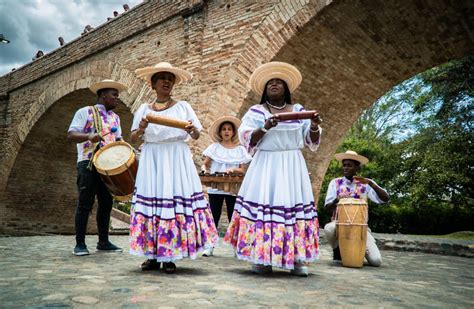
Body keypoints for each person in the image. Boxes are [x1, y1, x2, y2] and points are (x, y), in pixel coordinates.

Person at [224, 61, 322, 276]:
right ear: (265, 90)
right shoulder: (256, 111)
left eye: (279, 82)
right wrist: (266, 126)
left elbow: (311, 141)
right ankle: (261, 257)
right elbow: (247, 137)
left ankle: (297, 259)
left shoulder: (298, 111)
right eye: (271, 83)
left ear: (286, 89)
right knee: (264, 206)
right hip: (266, 164)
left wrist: (314, 125)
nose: (275, 85)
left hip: (292, 164)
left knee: (293, 208)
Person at [130, 62, 218, 273]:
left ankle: (170, 255)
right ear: (153, 83)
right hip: (152, 157)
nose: (166, 81)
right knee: (153, 203)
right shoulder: (143, 109)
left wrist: (191, 129)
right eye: (161, 77)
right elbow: (133, 139)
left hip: (176, 157)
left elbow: (196, 134)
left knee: (173, 201)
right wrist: (141, 128)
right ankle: (151, 255)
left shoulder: (183, 107)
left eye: (170, 78)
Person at [67, 79, 127, 256]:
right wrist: (88, 136)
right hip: (88, 162)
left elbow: (118, 140)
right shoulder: (85, 112)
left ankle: (103, 241)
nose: (117, 99)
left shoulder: (116, 118)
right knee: (85, 202)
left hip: (109, 166)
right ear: (102, 94)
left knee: (106, 203)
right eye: (114, 95)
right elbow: (71, 134)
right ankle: (80, 244)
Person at [323, 150, 390, 267]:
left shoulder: (365, 183)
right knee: (329, 228)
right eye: (344, 165)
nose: (346, 168)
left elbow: (385, 199)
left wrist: (370, 183)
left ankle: (359, 247)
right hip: (339, 225)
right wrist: (337, 200)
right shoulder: (335, 183)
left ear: (357, 167)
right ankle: (337, 249)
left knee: (376, 261)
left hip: (360, 228)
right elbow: (327, 208)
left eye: (349, 165)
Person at [200, 116, 252, 257]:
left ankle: (237, 247)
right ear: (220, 132)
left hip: (233, 187)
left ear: (233, 132)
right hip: (216, 187)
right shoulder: (214, 148)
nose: (226, 131)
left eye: (229, 129)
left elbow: (242, 170)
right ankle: (209, 245)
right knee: (213, 215)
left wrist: (233, 170)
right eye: (224, 129)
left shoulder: (240, 150)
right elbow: (206, 163)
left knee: (233, 216)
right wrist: (204, 169)